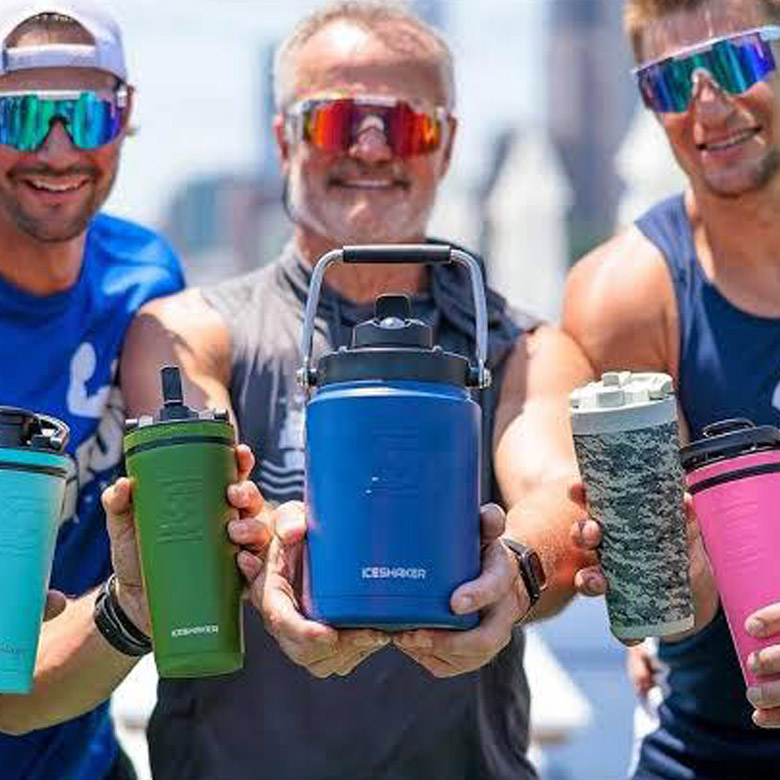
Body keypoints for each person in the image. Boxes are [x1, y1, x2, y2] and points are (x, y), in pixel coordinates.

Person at [113, 2, 594, 778]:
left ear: (445, 145)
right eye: (338, 120)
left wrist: (517, 569)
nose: (371, 147)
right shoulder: (189, 332)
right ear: (285, 139)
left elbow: (557, 493)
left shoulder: (526, 347)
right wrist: (277, 557)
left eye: (406, 124)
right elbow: (199, 494)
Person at [564, 0, 780, 777]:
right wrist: (658, 570)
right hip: (710, 749)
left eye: (736, 59)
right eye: (668, 81)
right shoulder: (625, 296)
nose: (706, 106)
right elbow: (676, 600)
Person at [0, 2, 188, 778]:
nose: (57, 149)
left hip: (84, 754)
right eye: (21, 116)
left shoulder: (146, 274)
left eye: (86, 115)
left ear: (125, 115)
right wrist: (133, 605)